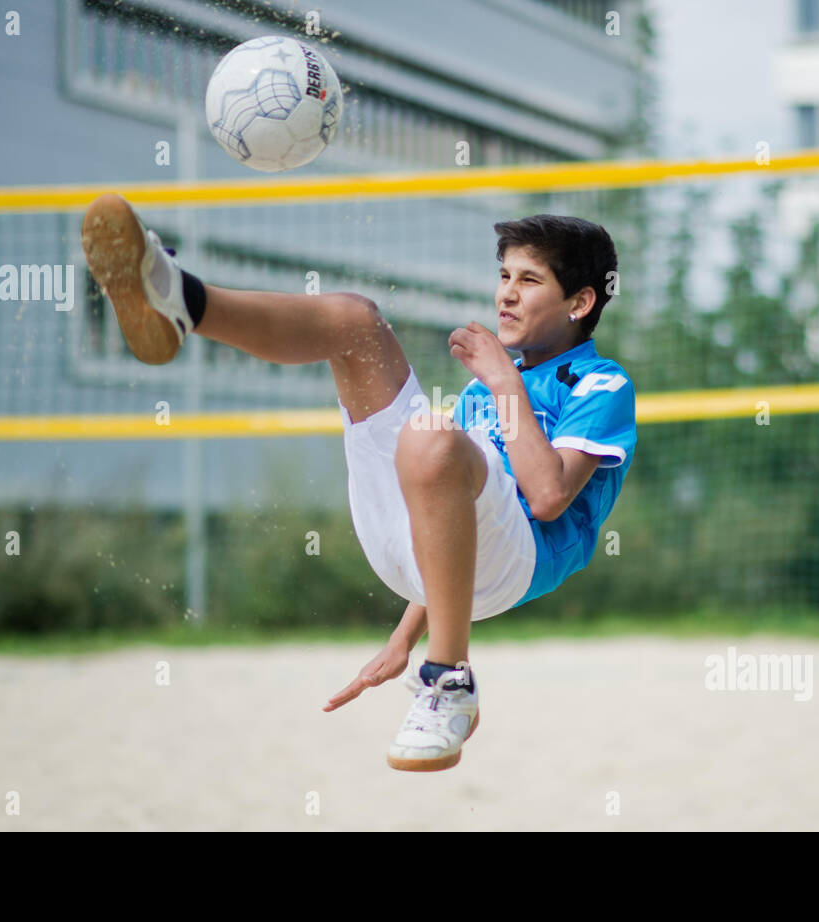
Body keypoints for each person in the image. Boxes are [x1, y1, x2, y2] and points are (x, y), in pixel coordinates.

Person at [81, 195, 636, 771]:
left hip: (514, 564)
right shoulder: (489, 389)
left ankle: (448, 681)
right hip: (404, 546)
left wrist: (503, 380)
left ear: (581, 300)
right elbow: (445, 516)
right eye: (503, 276)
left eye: (529, 279)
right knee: (355, 321)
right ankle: (182, 301)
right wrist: (400, 640)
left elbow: (546, 498)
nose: (506, 293)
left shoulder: (600, 383)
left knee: (431, 436)